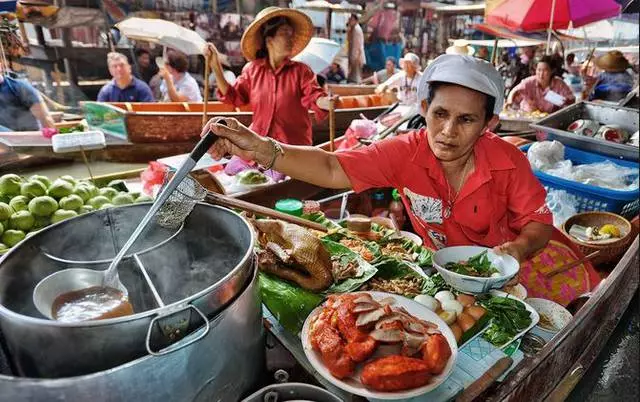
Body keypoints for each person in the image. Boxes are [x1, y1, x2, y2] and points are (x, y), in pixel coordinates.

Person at [202, 55, 601, 305]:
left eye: (466, 120)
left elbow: (538, 223)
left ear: (488, 124)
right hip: (438, 269)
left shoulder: (509, 161)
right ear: (425, 108)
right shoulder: (404, 151)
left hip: (507, 270)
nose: (447, 131)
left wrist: (515, 249)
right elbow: (331, 168)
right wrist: (260, 149)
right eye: (440, 114)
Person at [204, 7, 332, 147]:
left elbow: (314, 96)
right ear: (269, 40)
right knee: (231, 168)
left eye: (291, 34)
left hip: (293, 149)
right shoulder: (252, 70)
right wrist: (216, 66)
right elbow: (233, 97)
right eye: (285, 34)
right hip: (259, 146)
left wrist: (326, 102)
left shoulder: (301, 71)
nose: (291, 39)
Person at [0, 59, 55, 132]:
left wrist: (51, 138)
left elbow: (45, 118)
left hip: (29, 137)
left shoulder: (19, 87)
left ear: (0, 66)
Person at [506, 55, 575, 113]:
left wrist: (564, 101)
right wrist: (510, 102)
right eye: (539, 70)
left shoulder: (559, 84)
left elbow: (572, 100)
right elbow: (514, 92)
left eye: (545, 70)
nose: (541, 74)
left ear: (552, 71)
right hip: (528, 117)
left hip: (548, 120)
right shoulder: (528, 82)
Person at [347, 13, 366, 84]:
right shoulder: (353, 29)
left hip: (357, 55)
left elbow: (359, 45)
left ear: (355, 20)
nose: (350, 21)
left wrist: (358, 56)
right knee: (353, 73)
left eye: (351, 20)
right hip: (353, 54)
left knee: (356, 74)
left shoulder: (357, 29)